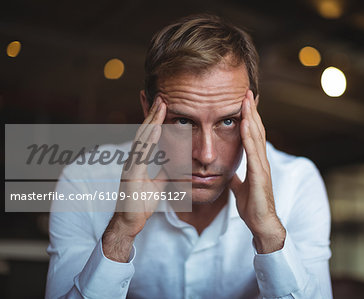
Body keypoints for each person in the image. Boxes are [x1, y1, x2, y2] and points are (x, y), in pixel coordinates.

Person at [45, 14, 332, 299]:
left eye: (228, 121)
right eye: (183, 122)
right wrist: (120, 232)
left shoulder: (297, 183)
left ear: (253, 111)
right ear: (148, 109)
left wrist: (269, 232)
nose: (206, 154)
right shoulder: (85, 179)